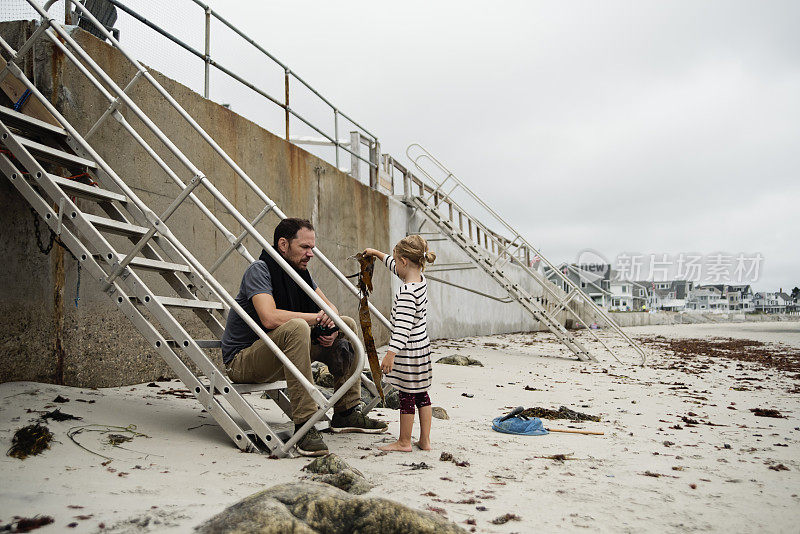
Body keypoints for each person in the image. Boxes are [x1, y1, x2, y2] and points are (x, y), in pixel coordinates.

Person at [221, 218, 387, 457]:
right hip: (244, 360)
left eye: (313, 248)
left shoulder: (301, 273)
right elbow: (269, 318)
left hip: (280, 353)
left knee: (346, 325)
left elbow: (331, 309)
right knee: (298, 326)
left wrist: (328, 327)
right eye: (305, 247)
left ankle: (346, 412)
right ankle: (305, 425)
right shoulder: (259, 270)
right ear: (283, 244)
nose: (311, 254)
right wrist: (316, 319)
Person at [363, 235, 436, 452]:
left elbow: (403, 328)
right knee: (422, 393)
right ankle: (425, 441)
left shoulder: (406, 292)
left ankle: (404, 441)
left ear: (404, 261)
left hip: (408, 350)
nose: (395, 265)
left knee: (406, 395)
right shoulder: (420, 280)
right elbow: (396, 268)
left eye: (397, 261)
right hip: (423, 347)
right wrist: (377, 253)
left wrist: (390, 353)